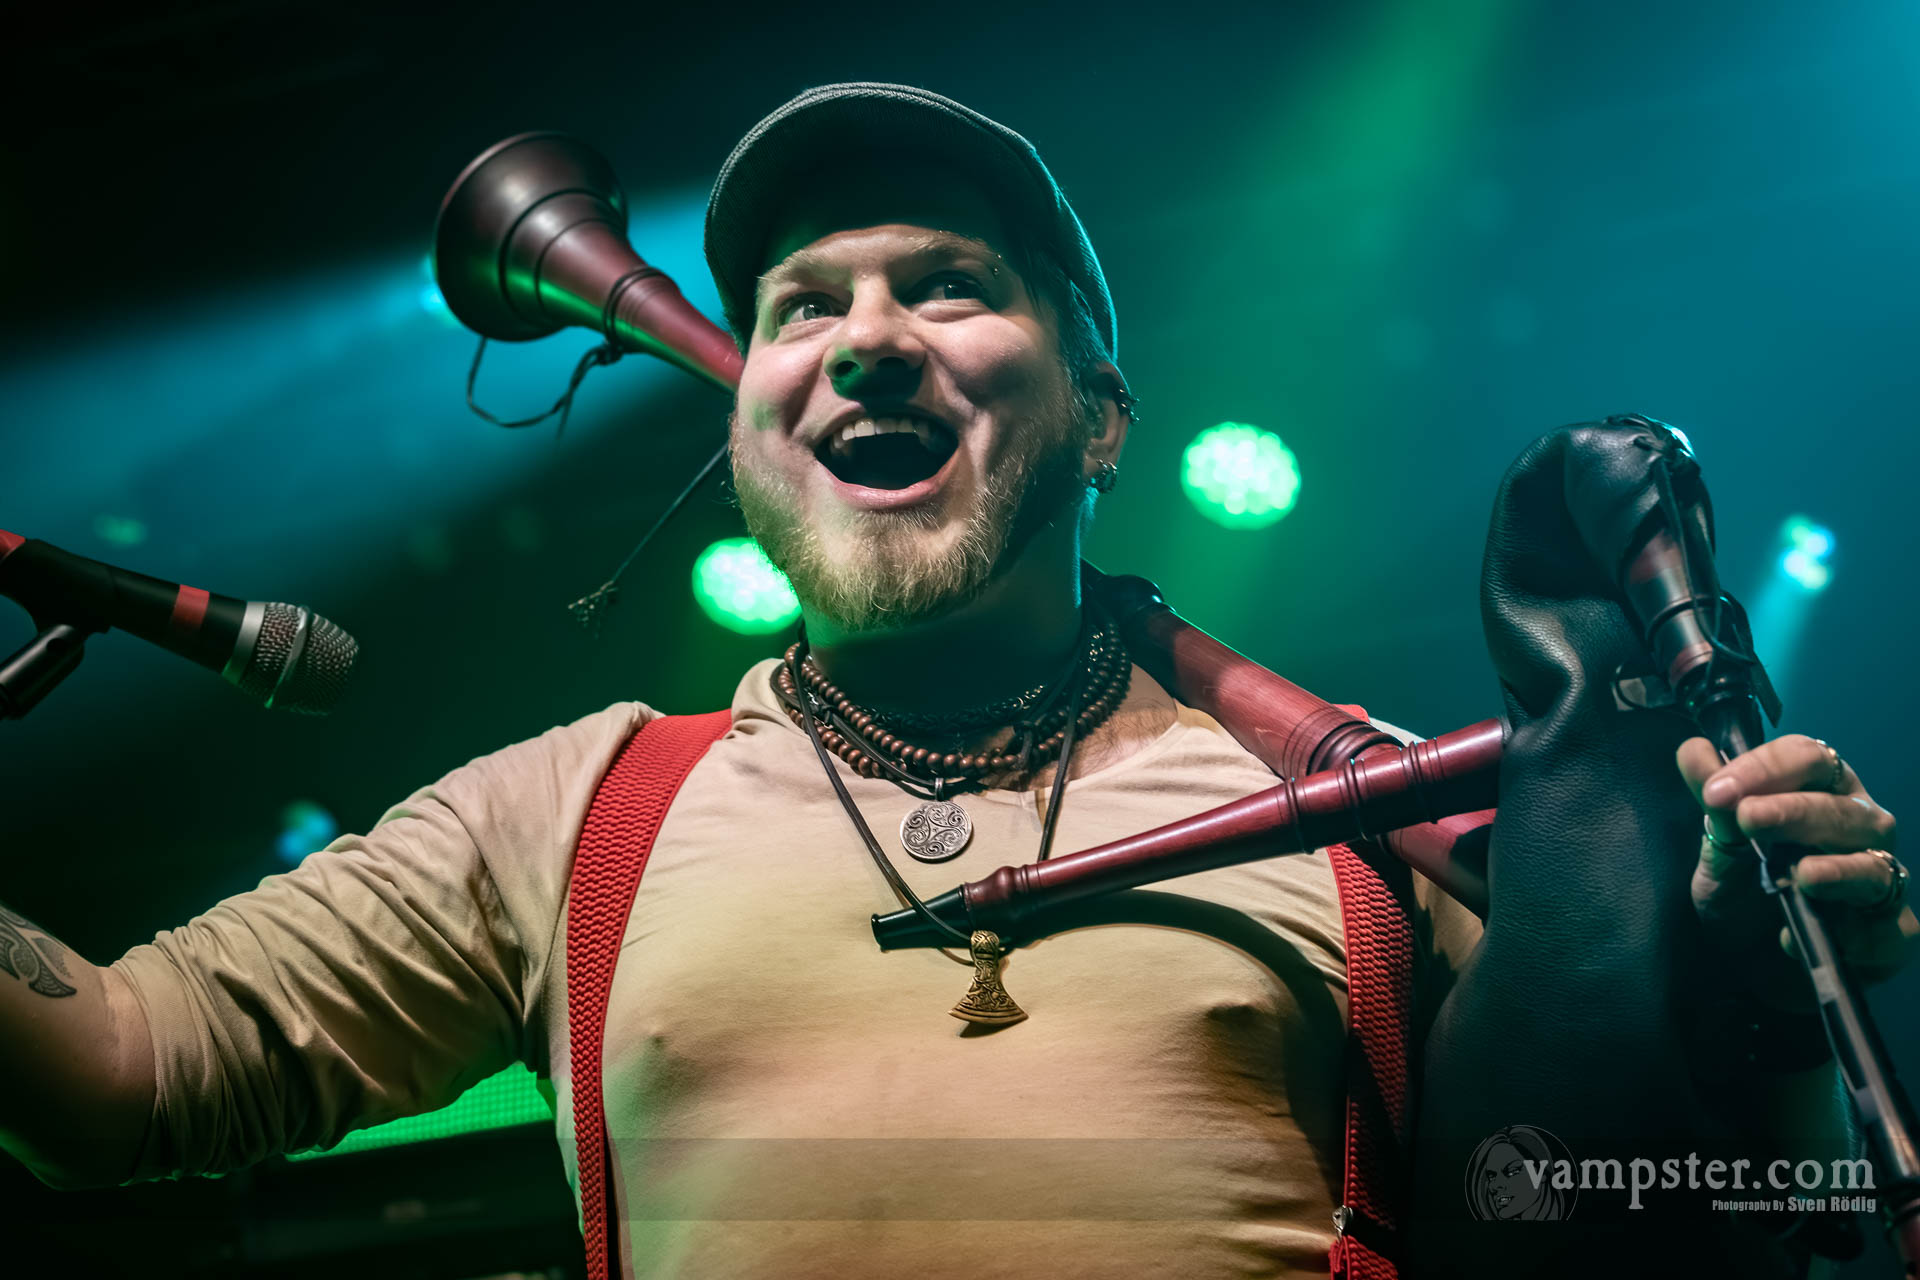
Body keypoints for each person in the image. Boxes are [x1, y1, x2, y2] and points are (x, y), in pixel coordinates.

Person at [1, 83, 1911, 1279]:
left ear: (1101, 420)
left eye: (946, 285)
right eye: (800, 308)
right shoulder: (571, 810)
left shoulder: (1378, 823)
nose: (864, 341)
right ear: (748, 434)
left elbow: (1687, 1225)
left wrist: (1753, 995)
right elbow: (109, 1076)